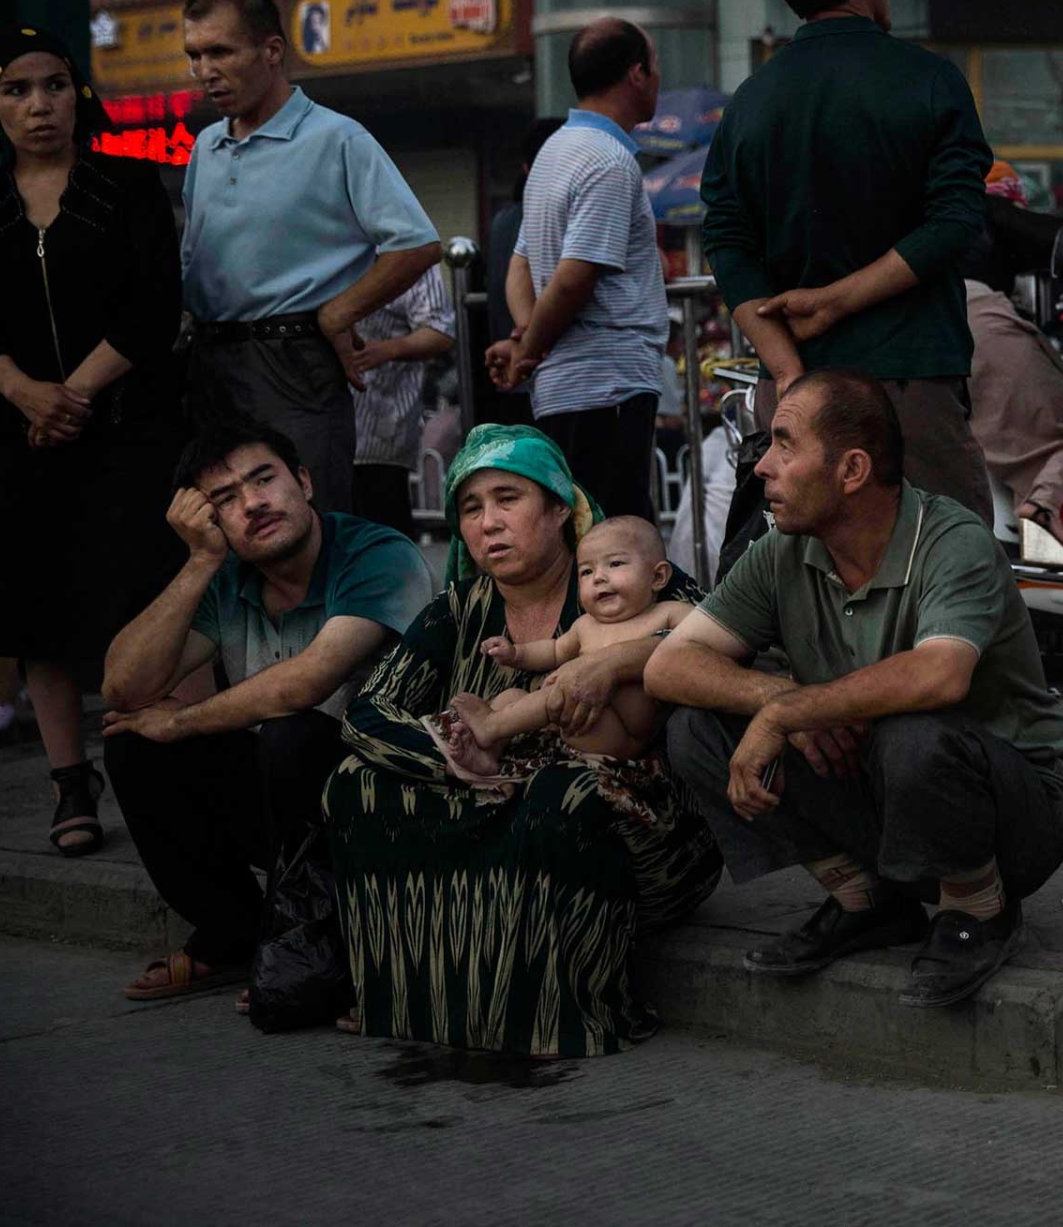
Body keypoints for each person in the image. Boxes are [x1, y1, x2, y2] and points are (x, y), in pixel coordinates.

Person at [650, 369, 1063, 1009]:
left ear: (851, 470)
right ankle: (867, 898)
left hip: (1011, 813)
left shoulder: (951, 542)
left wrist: (795, 709)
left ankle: (979, 908)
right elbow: (669, 666)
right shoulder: (782, 550)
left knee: (913, 732)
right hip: (880, 785)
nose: (763, 466)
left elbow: (940, 673)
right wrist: (777, 704)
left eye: (785, 445)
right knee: (696, 725)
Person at [323, 425, 720, 1056]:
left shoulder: (623, 574)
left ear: (560, 507)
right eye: (472, 508)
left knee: (560, 794)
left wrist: (616, 664)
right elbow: (368, 711)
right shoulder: (458, 610)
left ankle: (569, 1013)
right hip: (493, 786)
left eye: (508, 498)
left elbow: (724, 643)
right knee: (354, 782)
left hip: (648, 822)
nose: (488, 523)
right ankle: (410, 997)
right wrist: (457, 761)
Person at [98, 422, 432, 1002]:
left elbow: (306, 683)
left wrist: (181, 720)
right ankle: (234, 932)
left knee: (292, 733)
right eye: (225, 499)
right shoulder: (226, 577)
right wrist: (198, 562)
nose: (253, 504)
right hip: (290, 806)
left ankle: (315, 940)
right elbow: (123, 689)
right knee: (134, 742)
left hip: (390, 806)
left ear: (302, 481)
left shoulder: (377, 553)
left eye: (263, 479)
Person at [0, 26, 184, 857]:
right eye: (16, 90)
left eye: (53, 84)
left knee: (137, 600)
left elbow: (154, 308)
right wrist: (24, 392)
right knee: (37, 609)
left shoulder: (126, 186)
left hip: (125, 430)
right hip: (21, 439)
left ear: (77, 95)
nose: (38, 104)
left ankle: (159, 760)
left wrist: (75, 393)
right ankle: (69, 780)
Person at [700, 0, 995, 524]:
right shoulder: (929, 79)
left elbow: (726, 239)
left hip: (798, 402)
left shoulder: (750, 101)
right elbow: (954, 224)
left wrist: (786, 367)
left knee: (814, 594)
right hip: (909, 385)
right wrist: (839, 299)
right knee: (946, 575)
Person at [179, 0, 442, 515]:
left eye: (221, 51)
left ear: (272, 50)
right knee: (225, 534)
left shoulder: (336, 137)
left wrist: (337, 313)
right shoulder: (206, 145)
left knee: (306, 528)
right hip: (210, 363)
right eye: (195, 55)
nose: (205, 70)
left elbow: (416, 244)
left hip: (293, 362)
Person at [486, 20, 670, 521]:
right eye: (655, 67)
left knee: (583, 533)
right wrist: (528, 349)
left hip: (564, 388)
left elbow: (519, 265)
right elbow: (573, 278)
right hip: (606, 384)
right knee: (618, 537)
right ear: (637, 73)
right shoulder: (609, 160)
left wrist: (526, 337)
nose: (658, 79)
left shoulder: (552, 152)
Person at [445, 515, 691, 775]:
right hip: (573, 722)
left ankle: (490, 726)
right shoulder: (586, 625)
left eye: (615, 563)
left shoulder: (669, 613)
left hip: (622, 735)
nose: (598, 578)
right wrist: (516, 653)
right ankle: (487, 754)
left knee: (561, 692)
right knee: (512, 697)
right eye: (587, 571)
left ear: (658, 576)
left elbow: (707, 635)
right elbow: (553, 651)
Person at [967, 167, 1063, 563]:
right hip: (983, 322)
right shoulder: (989, 207)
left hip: (934, 333)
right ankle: (1044, 508)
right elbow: (1061, 241)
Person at [349, 261, 455, 537]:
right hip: (312, 425)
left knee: (384, 537)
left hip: (378, 428)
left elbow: (440, 331)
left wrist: (386, 350)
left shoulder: (401, 245)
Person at [481, 116, 564, 427]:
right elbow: (569, 285)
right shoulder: (547, 215)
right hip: (549, 376)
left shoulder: (504, 221)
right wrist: (529, 344)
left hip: (513, 375)